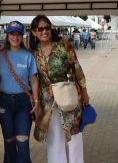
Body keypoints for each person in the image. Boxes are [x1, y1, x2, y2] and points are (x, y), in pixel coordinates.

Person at [29, 15, 90, 163]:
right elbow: (33, 78)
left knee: (74, 135)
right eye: (40, 29)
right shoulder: (33, 52)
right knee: (54, 137)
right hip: (48, 101)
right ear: (34, 32)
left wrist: (84, 92)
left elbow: (77, 69)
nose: (45, 31)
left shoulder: (64, 46)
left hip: (69, 95)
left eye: (47, 28)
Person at [0, 21, 39, 163]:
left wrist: (37, 101)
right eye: (12, 34)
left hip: (23, 103)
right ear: (7, 36)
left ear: (22, 36)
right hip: (4, 102)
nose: (16, 37)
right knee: (9, 141)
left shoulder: (28, 56)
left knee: (22, 142)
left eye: (19, 34)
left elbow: (33, 80)